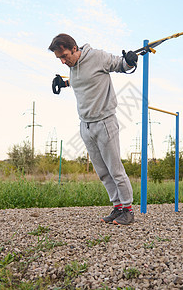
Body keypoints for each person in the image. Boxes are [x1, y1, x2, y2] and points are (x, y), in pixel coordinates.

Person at [48, 33, 138, 225]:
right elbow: (82, 80)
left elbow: (120, 65)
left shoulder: (97, 57)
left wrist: (129, 62)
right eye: (59, 59)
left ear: (74, 48)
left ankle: (128, 210)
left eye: (64, 56)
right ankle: (117, 207)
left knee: (115, 169)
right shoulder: (73, 67)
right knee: (103, 172)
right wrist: (63, 83)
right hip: (85, 125)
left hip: (105, 122)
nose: (63, 62)